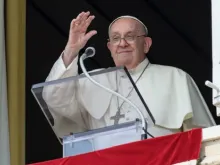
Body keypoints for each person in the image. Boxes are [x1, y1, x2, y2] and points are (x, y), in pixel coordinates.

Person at [42, 11, 215, 150]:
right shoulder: (92, 80)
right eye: (116, 38)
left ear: (146, 44)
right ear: (110, 47)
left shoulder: (175, 78)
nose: (122, 43)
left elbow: (203, 140)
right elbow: (54, 98)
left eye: (130, 36)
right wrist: (71, 50)